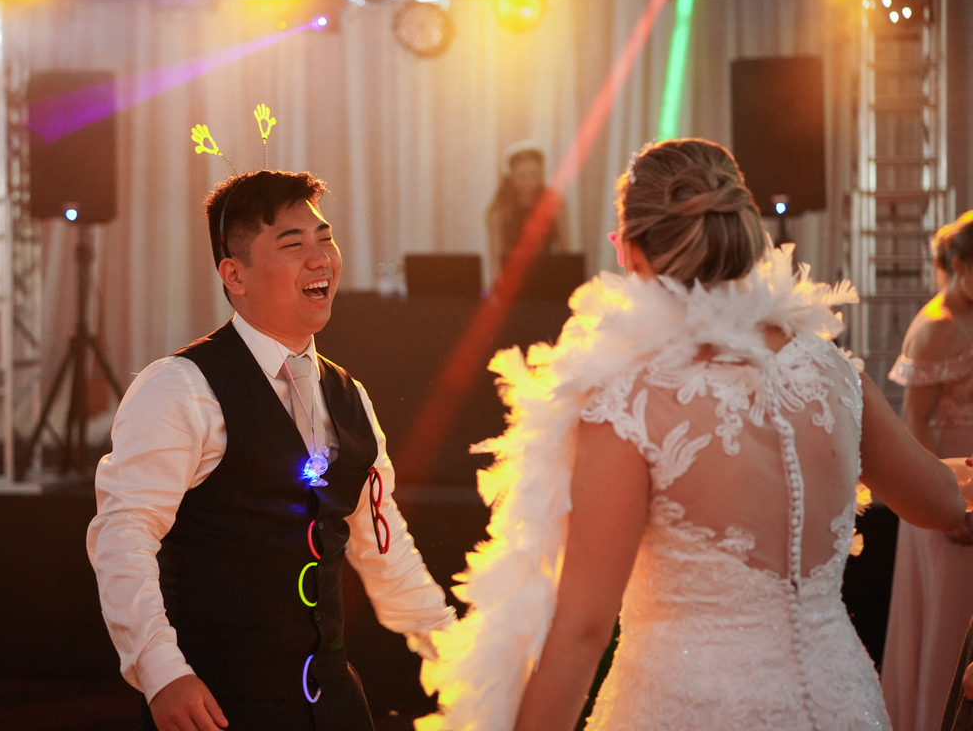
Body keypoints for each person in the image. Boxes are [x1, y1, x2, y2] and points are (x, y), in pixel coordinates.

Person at [417, 138, 972, 731]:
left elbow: (582, 630)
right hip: (842, 703)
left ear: (629, 252)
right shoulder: (830, 370)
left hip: (689, 707)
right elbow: (940, 502)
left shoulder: (631, 398)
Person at [88, 170, 455, 731]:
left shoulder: (349, 395)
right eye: (293, 244)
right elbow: (124, 534)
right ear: (234, 274)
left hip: (333, 703)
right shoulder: (181, 387)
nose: (320, 258)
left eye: (324, 238)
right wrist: (161, 669)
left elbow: (384, 546)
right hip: (219, 702)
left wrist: (457, 654)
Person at [882, 211, 973, 731]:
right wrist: (949, 504)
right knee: (952, 619)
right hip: (947, 490)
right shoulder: (936, 326)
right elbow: (914, 420)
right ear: (958, 265)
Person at [484, 143, 569, 282]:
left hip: (549, 276)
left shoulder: (554, 203)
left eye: (535, 175)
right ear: (511, 176)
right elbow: (496, 261)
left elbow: (567, 253)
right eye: (522, 177)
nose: (530, 182)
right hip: (512, 281)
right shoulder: (499, 211)